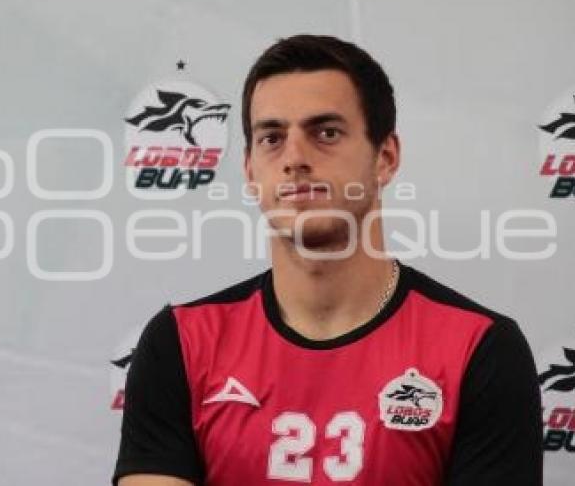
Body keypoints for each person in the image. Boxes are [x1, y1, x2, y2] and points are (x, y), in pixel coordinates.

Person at [113, 35, 543, 485]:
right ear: (249, 170)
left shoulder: (479, 350)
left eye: (326, 133)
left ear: (386, 158)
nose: (295, 158)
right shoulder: (181, 344)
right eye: (272, 138)